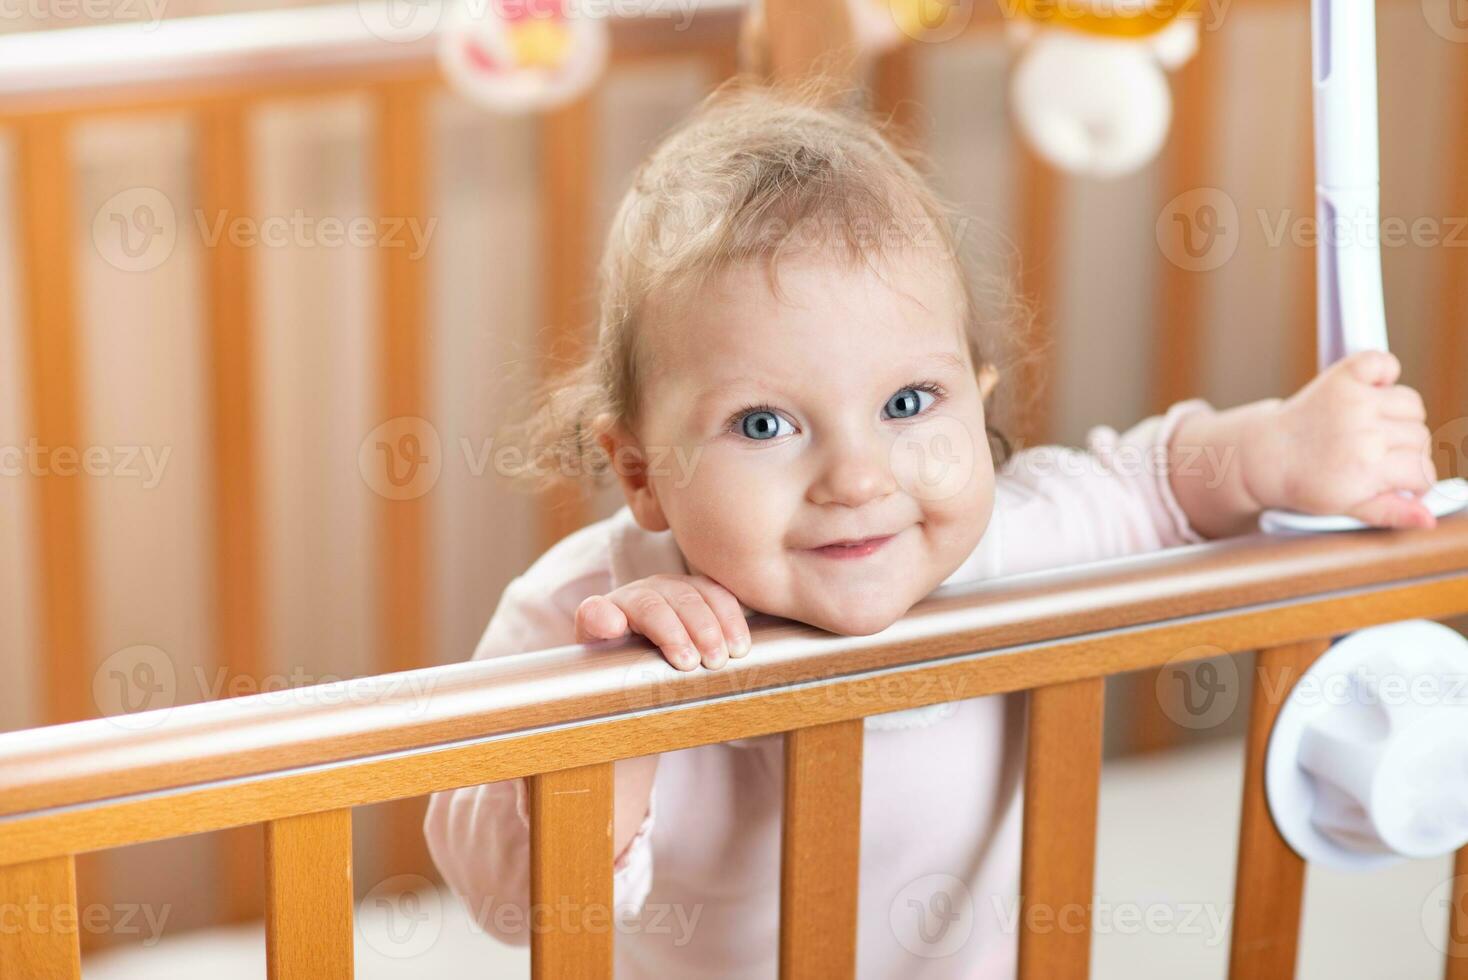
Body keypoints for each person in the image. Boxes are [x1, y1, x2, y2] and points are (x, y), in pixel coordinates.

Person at [424, 81, 1437, 978]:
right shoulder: (579, 618)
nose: (860, 478)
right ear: (641, 470)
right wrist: (621, 711)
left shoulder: (1014, 548)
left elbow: (1162, 481)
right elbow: (511, 903)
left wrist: (1286, 444)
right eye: (765, 424)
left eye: (908, 403)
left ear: (976, 402)